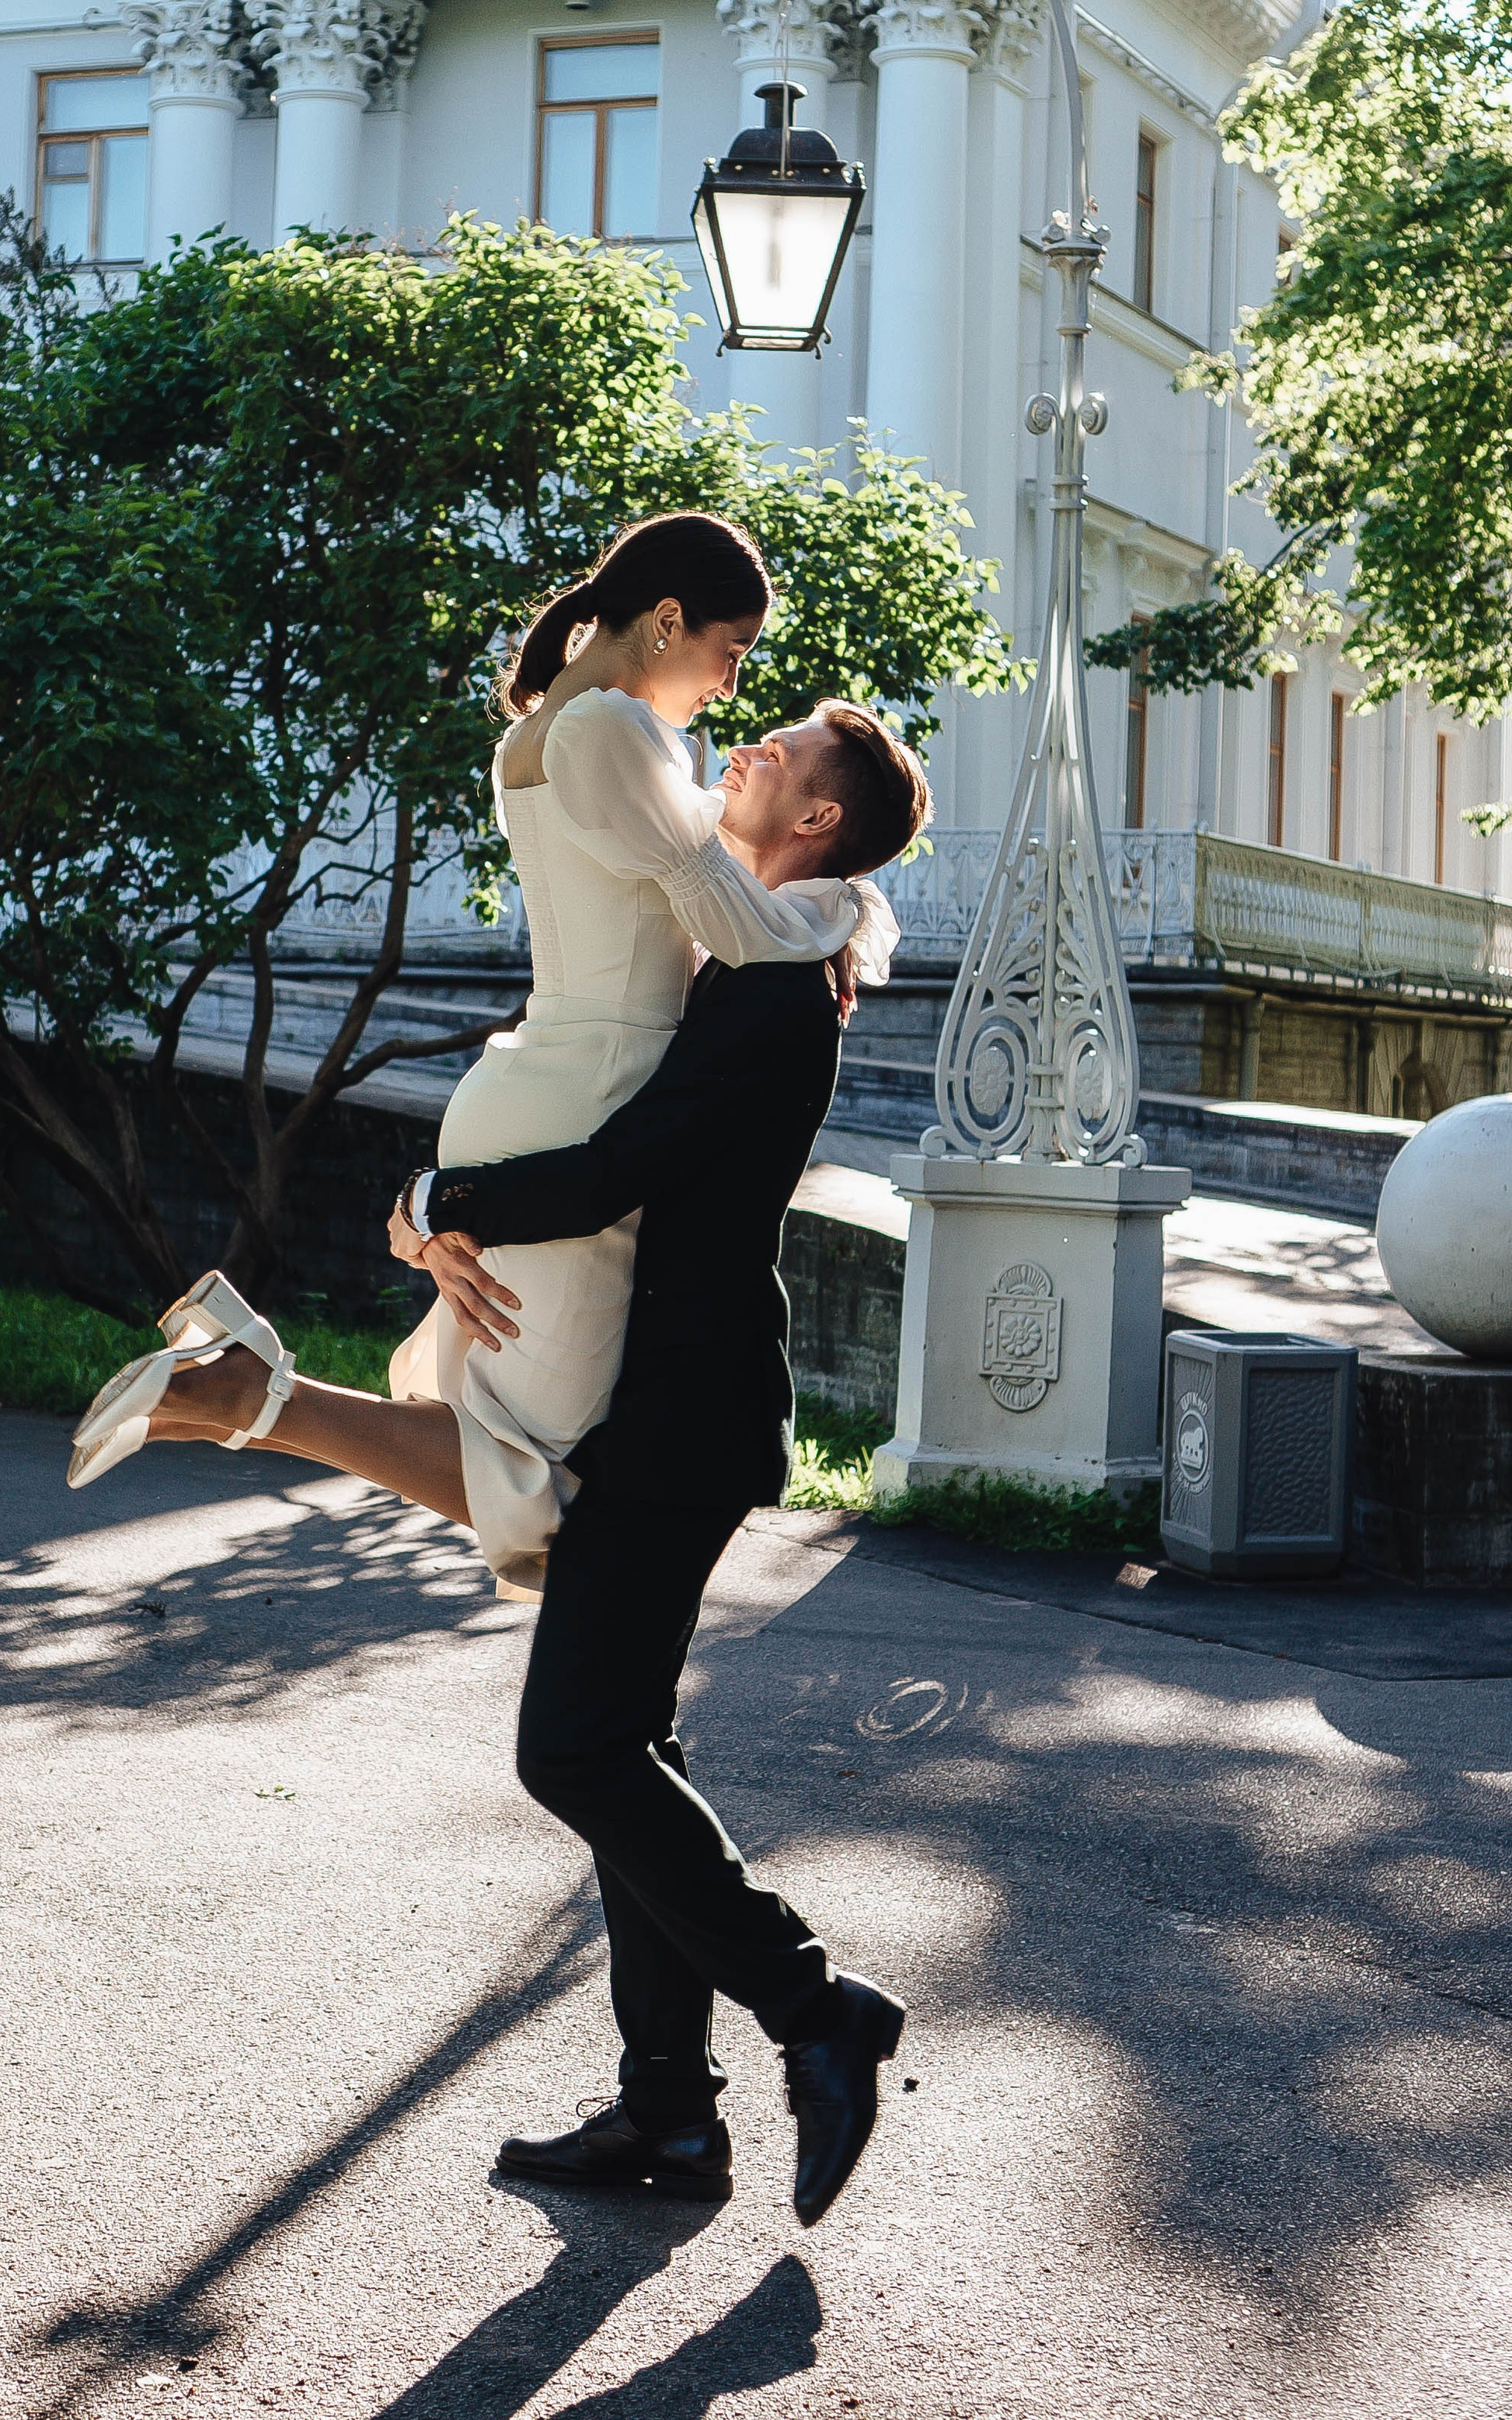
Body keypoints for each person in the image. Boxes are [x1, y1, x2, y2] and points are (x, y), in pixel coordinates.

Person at [63, 678, 934, 2226]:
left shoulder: (771, 992)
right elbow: (576, 1093)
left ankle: (816, 2012)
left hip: (683, 1426)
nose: (751, 744)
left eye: (782, 746)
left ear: (812, 824)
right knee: (626, 1760)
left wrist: (450, 1215)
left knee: (576, 1753)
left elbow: (628, 1164)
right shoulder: (728, 955)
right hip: (649, 1414)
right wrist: (434, 1202)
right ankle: (668, 2118)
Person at [70, 513, 896, 1609]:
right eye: (731, 653)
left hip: (540, 1083)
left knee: (504, 1435)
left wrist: (846, 901)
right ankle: (244, 1394)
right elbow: (742, 924)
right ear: (665, 621)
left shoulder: (553, 735)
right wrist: (843, 914)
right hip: (589, 1099)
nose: (732, 690)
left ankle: (244, 1390)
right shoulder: (625, 736)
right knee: (546, 1475)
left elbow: (720, 867)